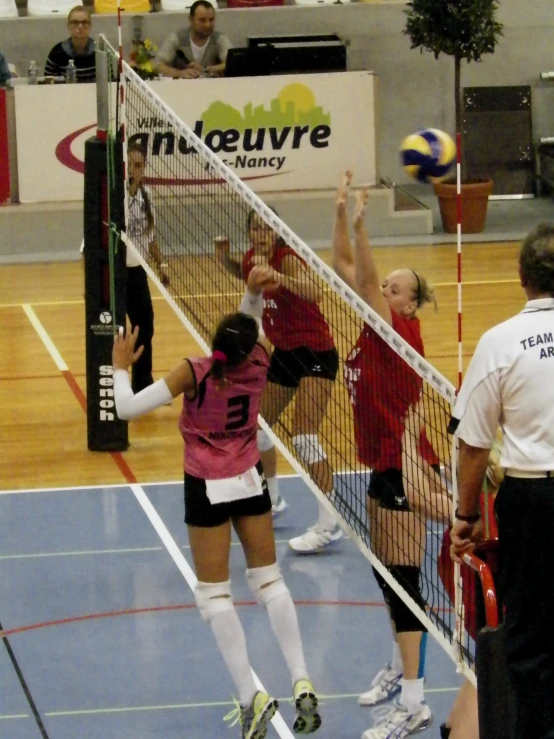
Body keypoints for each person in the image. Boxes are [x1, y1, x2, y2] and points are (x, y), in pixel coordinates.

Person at [112, 266, 322, 739]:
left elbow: (125, 408)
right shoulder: (263, 361)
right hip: (249, 478)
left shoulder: (196, 371)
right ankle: (301, 677)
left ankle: (252, 697)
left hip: (207, 484)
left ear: (215, 341)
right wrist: (252, 292)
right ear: (251, 348)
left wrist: (120, 366)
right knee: (270, 581)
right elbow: (255, 330)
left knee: (214, 595)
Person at [331, 171, 447, 738]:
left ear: (409, 304)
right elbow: (343, 270)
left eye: (396, 289)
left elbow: (365, 278)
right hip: (382, 467)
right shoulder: (374, 330)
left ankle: (416, 703)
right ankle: (401, 671)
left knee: (406, 583)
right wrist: (339, 215)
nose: (385, 291)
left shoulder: (401, 334)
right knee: (389, 580)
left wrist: (362, 227)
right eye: (388, 287)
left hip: (407, 468)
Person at [449, 222, 554, 739]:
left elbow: (472, 446)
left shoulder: (500, 341)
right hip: (534, 496)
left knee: (531, 639)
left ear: (521, 277)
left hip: (533, 501)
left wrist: (466, 517)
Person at [215, 208, 342, 552]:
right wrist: (224, 259)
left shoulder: (287, 259)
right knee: (255, 428)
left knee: (304, 438)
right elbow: (248, 278)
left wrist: (282, 277)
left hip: (316, 354)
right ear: (250, 231)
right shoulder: (251, 260)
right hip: (284, 354)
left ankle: (329, 525)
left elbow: (316, 292)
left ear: (277, 234)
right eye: (256, 227)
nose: (261, 233)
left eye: (268, 228)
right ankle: (273, 499)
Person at [155, 0, 232, 80]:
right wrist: (179, 73)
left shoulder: (219, 39)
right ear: (191, 20)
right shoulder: (177, 38)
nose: (207, 24)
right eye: (202, 20)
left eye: (211, 20)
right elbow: (158, 65)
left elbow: (231, 64)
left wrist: (205, 69)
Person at [44, 6, 96, 83]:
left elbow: (109, 83)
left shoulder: (101, 52)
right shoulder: (56, 53)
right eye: (75, 22)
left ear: (90, 25)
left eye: (84, 22)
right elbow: (47, 84)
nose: (80, 26)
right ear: (68, 26)